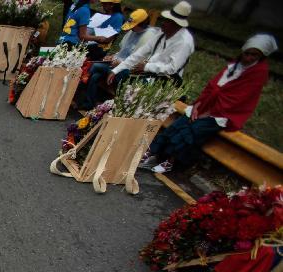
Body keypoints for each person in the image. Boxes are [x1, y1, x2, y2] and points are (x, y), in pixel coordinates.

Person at [141, 33, 277, 174]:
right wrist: (198, 105)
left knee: (192, 130)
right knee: (179, 123)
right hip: (206, 106)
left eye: (254, 55)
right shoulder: (233, 66)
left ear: (260, 56)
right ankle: (152, 153)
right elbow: (212, 86)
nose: (249, 58)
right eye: (247, 53)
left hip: (224, 114)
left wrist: (206, 113)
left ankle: (170, 161)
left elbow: (237, 99)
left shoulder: (259, 73)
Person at [79, 8, 159, 109]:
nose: (131, 29)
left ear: (141, 24)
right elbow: (123, 50)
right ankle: (90, 103)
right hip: (118, 64)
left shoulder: (148, 36)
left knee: (94, 66)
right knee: (95, 76)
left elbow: (138, 60)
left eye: (133, 26)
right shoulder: (133, 32)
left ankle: (79, 91)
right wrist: (113, 56)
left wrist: (120, 63)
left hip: (130, 70)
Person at [107, 1, 194, 88]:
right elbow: (139, 54)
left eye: (168, 21)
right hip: (149, 74)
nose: (163, 23)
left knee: (127, 84)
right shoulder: (161, 33)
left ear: (176, 24)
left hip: (166, 81)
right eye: (166, 19)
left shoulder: (184, 42)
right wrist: (116, 70)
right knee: (120, 75)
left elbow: (172, 69)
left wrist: (147, 67)